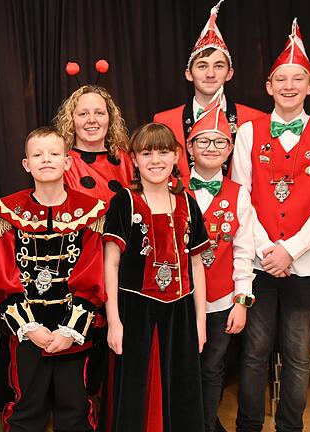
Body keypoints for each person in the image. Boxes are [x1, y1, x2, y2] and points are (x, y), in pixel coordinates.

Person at [230, 19, 310, 432]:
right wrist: (268, 250)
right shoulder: (248, 133)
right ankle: (249, 426)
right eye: (281, 78)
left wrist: (291, 250)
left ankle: (289, 428)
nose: (288, 85)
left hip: (308, 265)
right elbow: (239, 197)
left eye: (297, 78)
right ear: (268, 86)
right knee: (254, 352)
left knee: (297, 355)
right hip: (259, 266)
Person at [0, 126, 107, 432]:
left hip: (74, 331)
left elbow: (92, 274)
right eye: (38, 155)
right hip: (28, 333)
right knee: (26, 406)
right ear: (26, 164)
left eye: (54, 154)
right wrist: (30, 329)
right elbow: (3, 277)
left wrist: (70, 331)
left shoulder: (91, 211)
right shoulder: (6, 211)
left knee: (76, 407)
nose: (46, 160)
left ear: (67, 161)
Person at [103, 122, 209, 432]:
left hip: (181, 311)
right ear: (133, 159)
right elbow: (111, 264)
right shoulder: (124, 201)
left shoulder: (188, 202)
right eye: (146, 153)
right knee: (137, 389)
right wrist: (114, 321)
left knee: (182, 387)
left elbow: (197, 264)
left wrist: (200, 321)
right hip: (135, 310)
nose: (155, 160)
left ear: (176, 155)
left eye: (163, 152)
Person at [183, 89, 257, 432]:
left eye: (219, 142)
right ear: (189, 147)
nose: (211, 148)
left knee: (212, 368)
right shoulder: (171, 189)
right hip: (179, 300)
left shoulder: (240, 194)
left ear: (229, 150)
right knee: (181, 368)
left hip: (221, 301)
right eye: (203, 142)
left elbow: (244, 252)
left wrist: (241, 302)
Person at [152, 0, 264, 183]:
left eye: (219, 66)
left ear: (230, 73)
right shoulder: (165, 121)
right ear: (189, 74)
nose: (210, 74)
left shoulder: (254, 119)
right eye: (202, 66)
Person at [54, 84, 133, 204]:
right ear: (71, 120)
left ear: (110, 118)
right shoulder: (62, 164)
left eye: (99, 113)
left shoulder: (126, 160)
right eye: (83, 114)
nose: (91, 120)